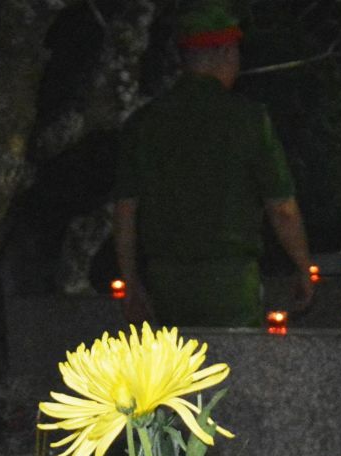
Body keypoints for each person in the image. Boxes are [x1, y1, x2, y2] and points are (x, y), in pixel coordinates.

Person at [112, 1, 313, 329]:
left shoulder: (143, 123)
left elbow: (125, 211)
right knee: (234, 370)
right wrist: (303, 266)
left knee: (178, 374)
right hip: (230, 281)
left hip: (166, 283)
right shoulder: (248, 119)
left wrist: (131, 283)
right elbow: (282, 208)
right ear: (225, 52)